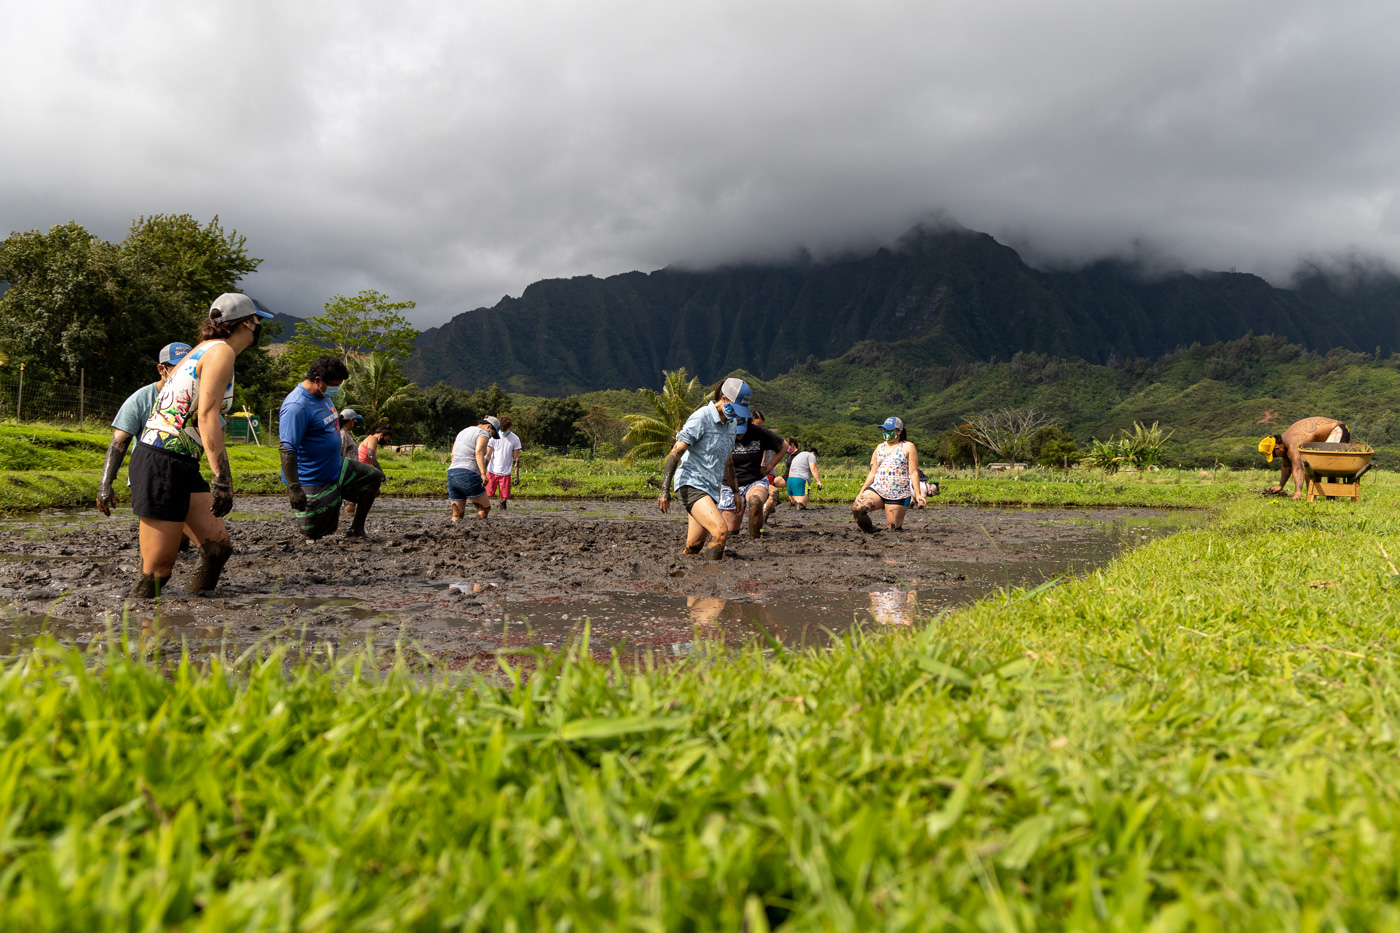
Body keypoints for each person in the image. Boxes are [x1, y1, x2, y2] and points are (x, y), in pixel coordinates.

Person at [126, 293, 271, 597]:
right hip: (162, 461)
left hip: (182, 461)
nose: (258, 328)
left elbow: (205, 420)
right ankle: (129, 631)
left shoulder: (203, 350)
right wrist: (221, 479)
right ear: (247, 322)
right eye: (257, 321)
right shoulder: (221, 353)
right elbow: (206, 416)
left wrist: (222, 474)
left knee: (217, 548)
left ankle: (198, 607)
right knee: (157, 571)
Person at [279, 356, 383, 540]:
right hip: (312, 477)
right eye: (334, 385)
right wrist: (294, 489)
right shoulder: (296, 406)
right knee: (313, 531)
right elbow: (287, 449)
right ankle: (324, 503)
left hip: (336, 467)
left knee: (374, 478)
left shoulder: (324, 397)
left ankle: (356, 529)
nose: (336, 390)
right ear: (318, 380)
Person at [658, 377, 748, 559]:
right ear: (723, 398)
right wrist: (664, 490)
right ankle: (712, 578)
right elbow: (676, 452)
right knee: (720, 531)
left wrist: (736, 493)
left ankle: (683, 576)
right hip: (691, 483)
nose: (737, 414)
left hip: (710, 489)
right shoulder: (701, 418)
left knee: (694, 545)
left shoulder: (731, 425)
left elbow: (728, 462)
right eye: (735, 408)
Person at [97, 341, 191, 515]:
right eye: (177, 368)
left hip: (184, 472)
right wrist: (105, 485)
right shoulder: (141, 399)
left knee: (183, 537)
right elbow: (119, 442)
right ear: (161, 370)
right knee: (161, 536)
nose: (184, 375)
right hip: (150, 475)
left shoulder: (194, 398)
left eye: (188, 369)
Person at [852, 416, 926, 532]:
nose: (885, 433)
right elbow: (872, 472)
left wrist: (918, 494)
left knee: (893, 529)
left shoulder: (908, 446)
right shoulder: (879, 447)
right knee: (857, 508)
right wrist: (861, 491)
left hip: (898, 493)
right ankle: (870, 531)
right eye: (884, 430)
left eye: (889, 430)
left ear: (899, 431)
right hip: (878, 489)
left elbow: (913, 472)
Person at [1259, 417, 1351, 499]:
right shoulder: (1284, 444)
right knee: (1311, 465)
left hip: (1337, 429)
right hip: (1324, 438)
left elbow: (1298, 468)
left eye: (1274, 455)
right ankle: (1312, 494)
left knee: (1330, 462)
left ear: (1277, 447)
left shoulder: (1292, 444)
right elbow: (1286, 466)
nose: (1276, 457)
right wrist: (1280, 486)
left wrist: (1298, 492)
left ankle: (1332, 496)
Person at [726, 410, 785, 537]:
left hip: (754, 479)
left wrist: (768, 467)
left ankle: (755, 537)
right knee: (731, 531)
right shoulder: (722, 433)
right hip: (729, 483)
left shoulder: (758, 432)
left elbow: (783, 446)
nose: (739, 436)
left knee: (755, 502)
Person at [449, 416, 500, 521]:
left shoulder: (462, 432)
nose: (490, 437)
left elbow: (453, 455)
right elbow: (479, 452)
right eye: (492, 434)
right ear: (489, 427)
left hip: (452, 474)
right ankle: (478, 534)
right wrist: (482, 473)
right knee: (484, 508)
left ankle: (453, 535)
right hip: (468, 473)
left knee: (457, 514)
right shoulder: (482, 433)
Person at [485, 414, 522, 511]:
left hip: (505, 473)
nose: (503, 430)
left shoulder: (515, 439)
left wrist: (516, 475)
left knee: (503, 498)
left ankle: (502, 514)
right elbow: (488, 455)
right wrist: (483, 472)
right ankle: (484, 513)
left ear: (509, 427)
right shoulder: (493, 437)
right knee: (487, 495)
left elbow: (516, 459)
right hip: (492, 471)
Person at [338, 409, 363, 516]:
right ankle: (347, 517)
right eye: (355, 420)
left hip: (351, 470)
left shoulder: (346, 433)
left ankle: (347, 516)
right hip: (347, 470)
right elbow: (341, 453)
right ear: (351, 420)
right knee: (351, 498)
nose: (355, 423)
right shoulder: (343, 434)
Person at [786, 445, 823, 509]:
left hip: (790, 481)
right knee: (801, 507)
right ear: (814, 453)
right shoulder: (811, 455)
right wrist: (819, 481)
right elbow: (813, 468)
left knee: (793, 507)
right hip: (800, 481)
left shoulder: (796, 456)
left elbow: (790, 472)